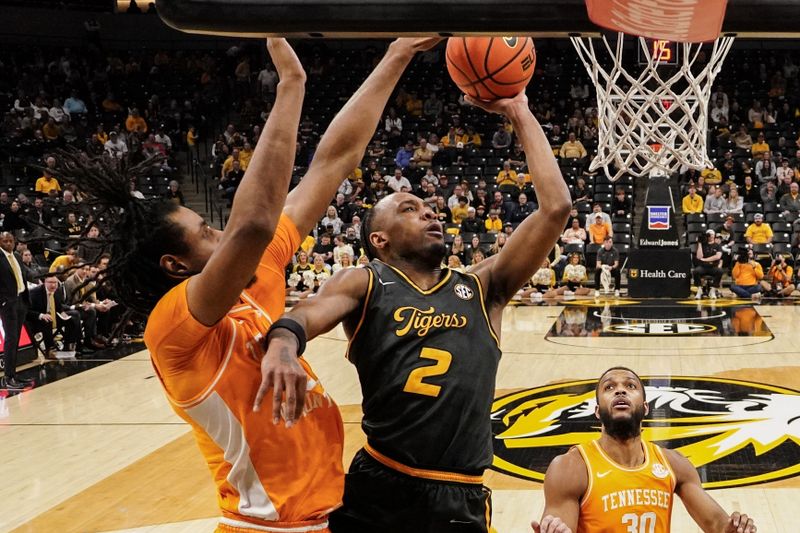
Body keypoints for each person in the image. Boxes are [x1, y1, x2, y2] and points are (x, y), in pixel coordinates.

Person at [55, 38, 441, 533]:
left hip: (329, 518)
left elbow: (334, 161)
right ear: (175, 265)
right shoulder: (172, 332)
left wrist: (398, 54)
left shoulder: (256, 283)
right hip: (264, 528)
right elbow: (253, 223)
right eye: (206, 232)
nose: (221, 232)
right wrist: (290, 87)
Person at [256, 89, 571, 532]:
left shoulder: (483, 286)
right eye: (410, 210)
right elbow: (307, 313)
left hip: (461, 494)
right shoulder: (367, 280)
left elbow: (555, 208)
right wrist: (284, 343)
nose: (430, 214)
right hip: (383, 485)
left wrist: (519, 110)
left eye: (429, 209)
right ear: (380, 240)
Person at [531, 367, 757, 533]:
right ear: (598, 412)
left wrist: (736, 529)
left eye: (630, 386)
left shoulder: (673, 464)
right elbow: (559, 527)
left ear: (645, 407)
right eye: (609, 387)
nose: (620, 391)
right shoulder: (572, 467)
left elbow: (717, 525)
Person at [0, 232, 30, 389]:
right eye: (5, 241)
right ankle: (8, 377)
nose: (8, 243)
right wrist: (3, 302)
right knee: (11, 340)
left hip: (20, 301)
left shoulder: (17, 256)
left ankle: (14, 374)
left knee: (16, 339)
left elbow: (22, 276)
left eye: (11, 241)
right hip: (8, 304)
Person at [26, 274, 82, 359]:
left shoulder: (57, 290)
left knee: (74, 316)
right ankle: (50, 350)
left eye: (55, 282)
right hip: (37, 320)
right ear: (45, 282)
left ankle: (69, 345)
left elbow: (59, 306)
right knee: (47, 320)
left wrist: (63, 313)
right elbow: (27, 311)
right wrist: (41, 315)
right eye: (50, 282)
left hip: (53, 316)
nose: (53, 285)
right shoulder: (35, 293)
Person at [692, 229, 723, 300]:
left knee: (720, 271)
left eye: (712, 234)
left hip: (713, 267)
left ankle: (712, 290)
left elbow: (718, 256)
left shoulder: (717, 246)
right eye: (709, 234)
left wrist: (705, 259)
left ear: (714, 235)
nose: (711, 236)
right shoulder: (703, 245)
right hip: (703, 266)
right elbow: (699, 257)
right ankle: (699, 290)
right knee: (695, 271)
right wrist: (699, 243)